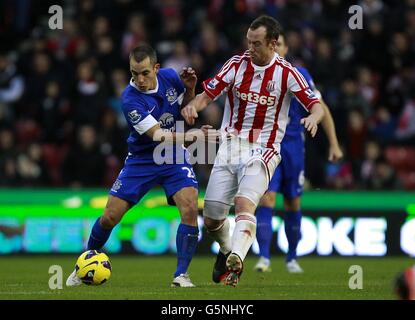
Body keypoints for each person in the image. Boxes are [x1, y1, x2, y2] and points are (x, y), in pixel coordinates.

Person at [181, 15, 325, 287]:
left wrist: (313, 118)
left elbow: (315, 105)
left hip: (264, 149)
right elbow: (207, 95)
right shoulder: (236, 65)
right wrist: (193, 107)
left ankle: (238, 257)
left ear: (273, 44)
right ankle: (226, 252)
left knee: (244, 203)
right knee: (212, 219)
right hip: (230, 147)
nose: (250, 48)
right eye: (248, 42)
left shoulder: (287, 73)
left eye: (257, 43)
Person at [66, 44, 205, 288]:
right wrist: (193, 137)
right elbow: (158, 135)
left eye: (144, 73)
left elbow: (187, 112)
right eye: (134, 73)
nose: (139, 79)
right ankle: (84, 264)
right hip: (142, 159)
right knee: (110, 217)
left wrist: (191, 89)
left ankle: (181, 275)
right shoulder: (130, 99)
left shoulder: (172, 77)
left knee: (190, 206)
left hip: (172, 155)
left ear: (156, 68)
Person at [253, 32, 343, 274]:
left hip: (293, 148)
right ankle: (263, 258)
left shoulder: (299, 75)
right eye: (272, 44)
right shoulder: (256, 74)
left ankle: (292, 258)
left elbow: (320, 107)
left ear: (285, 47)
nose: (275, 48)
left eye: (279, 44)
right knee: (266, 198)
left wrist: (333, 143)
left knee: (292, 201)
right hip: (267, 147)